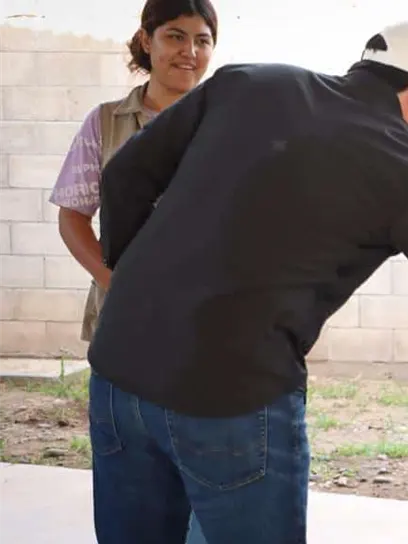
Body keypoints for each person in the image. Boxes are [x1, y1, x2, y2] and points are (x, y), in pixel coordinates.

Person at [85, 20, 408, 544]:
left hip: (118, 368)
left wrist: (130, 282)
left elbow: (122, 176)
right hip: (232, 397)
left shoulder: (249, 82)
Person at [47, 1, 218, 542]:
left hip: (211, 341)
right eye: (174, 36)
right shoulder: (106, 123)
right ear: (146, 41)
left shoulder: (229, 122)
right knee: (132, 497)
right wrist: (113, 282)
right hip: (125, 339)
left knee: (209, 496)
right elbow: (73, 215)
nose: (189, 52)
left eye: (202, 39)